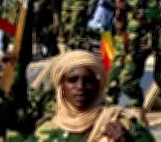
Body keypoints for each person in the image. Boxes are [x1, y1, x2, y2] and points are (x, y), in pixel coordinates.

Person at [24, 50, 153, 142]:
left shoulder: (121, 124)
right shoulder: (44, 130)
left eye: (88, 81)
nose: (80, 87)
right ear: (61, 86)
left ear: (97, 86)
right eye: (72, 80)